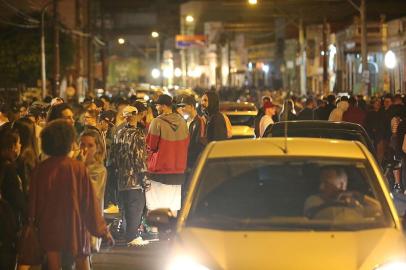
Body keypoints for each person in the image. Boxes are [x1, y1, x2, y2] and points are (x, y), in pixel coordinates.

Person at [27, 119, 113, 270]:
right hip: (74, 224)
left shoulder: (40, 169)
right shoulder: (77, 168)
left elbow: (33, 202)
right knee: (82, 262)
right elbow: (89, 202)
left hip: (48, 225)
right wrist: (102, 231)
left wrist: (32, 224)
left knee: (54, 265)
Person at [110, 106, 149, 246]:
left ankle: (128, 234)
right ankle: (132, 236)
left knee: (125, 207)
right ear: (136, 116)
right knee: (136, 206)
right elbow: (140, 158)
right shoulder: (137, 134)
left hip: (121, 177)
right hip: (134, 177)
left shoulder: (118, 133)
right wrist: (145, 178)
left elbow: (112, 156)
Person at [146, 94, 189, 217]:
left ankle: (155, 232)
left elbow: (151, 145)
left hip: (159, 171)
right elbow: (187, 143)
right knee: (173, 205)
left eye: (158, 105)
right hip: (178, 171)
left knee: (155, 205)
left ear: (164, 106)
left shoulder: (156, 122)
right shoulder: (182, 122)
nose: (156, 107)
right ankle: (170, 232)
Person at [79, 129, 107, 252]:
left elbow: (90, 195)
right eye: (82, 145)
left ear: (98, 148)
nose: (85, 149)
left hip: (88, 223)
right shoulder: (75, 165)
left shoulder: (99, 170)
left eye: (90, 146)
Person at [0, 127, 23, 270]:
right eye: (18, 143)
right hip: (6, 224)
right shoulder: (9, 169)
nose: (20, 146)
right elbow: (17, 199)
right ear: (12, 147)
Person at [177, 95, 206, 170]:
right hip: (184, 162)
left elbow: (199, 144)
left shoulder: (200, 122)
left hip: (192, 164)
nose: (182, 109)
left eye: (184, 106)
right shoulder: (184, 121)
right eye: (181, 106)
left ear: (192, 106)